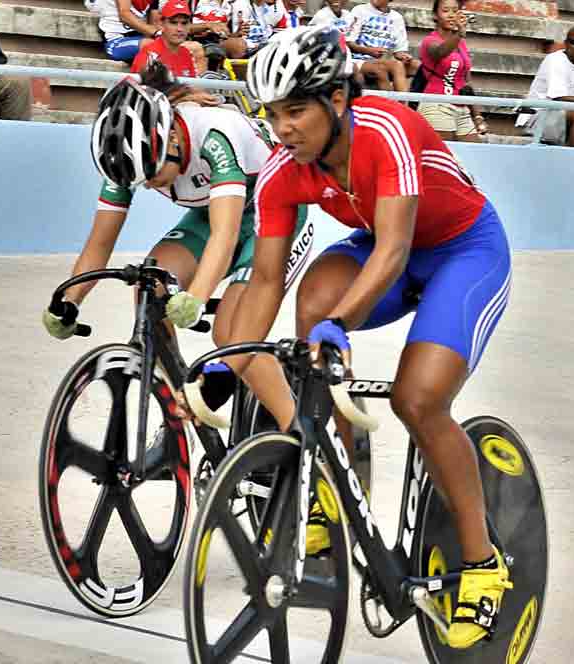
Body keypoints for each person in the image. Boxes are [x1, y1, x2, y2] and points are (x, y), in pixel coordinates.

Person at [235, 25, 514, 648]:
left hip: (460, 252)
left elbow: (391, 252)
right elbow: (264, 282)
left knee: (418, 401)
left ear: (337, 100)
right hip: (384, 247)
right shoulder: (283, 173)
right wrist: (235, 356)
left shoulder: (384, 130)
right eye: (273, 114)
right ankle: (339, 485)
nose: (283, 129)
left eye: (297, 110)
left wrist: (340, 326)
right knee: (311, 301)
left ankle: (482, 559)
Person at [43, 62, 310, 410]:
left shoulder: (215, 134)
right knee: (150, 282)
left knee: (231, 335)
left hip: (275, 215)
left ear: (170, 136)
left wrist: (196, 297)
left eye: (152, 174)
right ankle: (179, 409)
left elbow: (225, 235)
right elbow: (100, 243)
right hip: (213, 214)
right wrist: (70, 299)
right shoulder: (127, 161)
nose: (150, 184)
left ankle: (300, 437)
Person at [416, 0, 479, 142]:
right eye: (445, 11)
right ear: (435, 16)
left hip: (462, 108)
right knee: (444, 157)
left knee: (474, 155)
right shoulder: (429, 40)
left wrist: (477, 115)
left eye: (455, 11)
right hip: (437, 105)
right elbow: (439, 52)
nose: (451, 15)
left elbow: (466, 82)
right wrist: (459, 34)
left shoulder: (461, 43)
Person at [347, 0, 412, 92]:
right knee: (383, 68)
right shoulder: (360, 11)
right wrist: (368, 51)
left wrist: (404, 56)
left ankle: (408, 103)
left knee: (408, 65)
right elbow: (349, 42)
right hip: (358, 61)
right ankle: (391, 103)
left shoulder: (396, 18)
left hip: (382, 61)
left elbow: (398, 51)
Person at [130, 0, 197, 78]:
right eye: (173, 22)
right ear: (161, 24)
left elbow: (193, 87)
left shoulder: (186, 53)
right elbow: (141, 88)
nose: (180, 29)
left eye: (184, 23)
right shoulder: (150, 55)